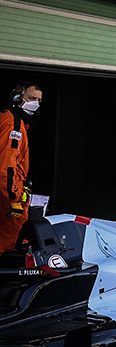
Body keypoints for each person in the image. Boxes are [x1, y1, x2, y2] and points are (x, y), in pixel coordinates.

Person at [1, 82, 41, 253]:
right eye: (32, 98)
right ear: (17, 97)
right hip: (8, 199)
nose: (36, 103)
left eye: (39, 100)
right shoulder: (14, 125)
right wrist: (13, 199)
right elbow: (7, 166)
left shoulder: (6, 118)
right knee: (10, 247)